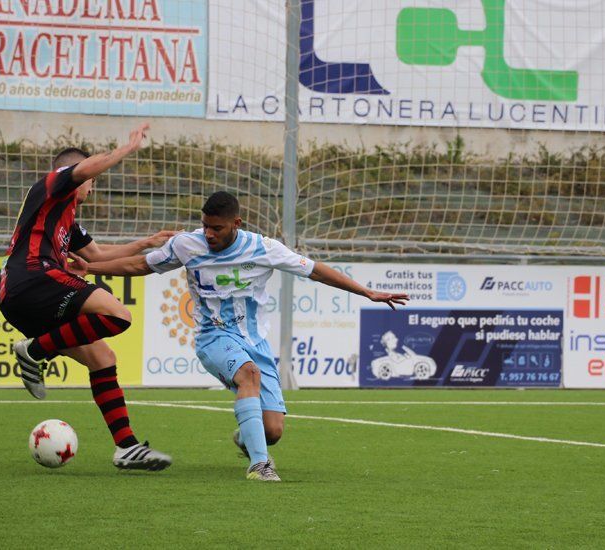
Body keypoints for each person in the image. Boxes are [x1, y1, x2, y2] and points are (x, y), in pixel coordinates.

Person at [70, 191, 408, 481]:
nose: (209, 234)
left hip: (255, 342)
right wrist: (92, 269)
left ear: (237, 224)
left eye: (216, 228)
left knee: (272, 429)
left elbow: (315, 270)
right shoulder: (188, 245)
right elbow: (141, 265)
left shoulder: (264, 248)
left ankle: (253, 440)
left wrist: (366, 292)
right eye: (205, 226)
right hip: (213, 337)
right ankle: (260, 465)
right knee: (249, 374)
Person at [0, 122, 172, 471]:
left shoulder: (68, 218)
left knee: (103, 358)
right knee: (118, 314)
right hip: (32, 278)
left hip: (23, 298)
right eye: (91, 180)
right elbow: (85, 168)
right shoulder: (50, 187)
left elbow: (95, 257)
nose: (93, 187)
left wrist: (146, 242)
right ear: (75, 175)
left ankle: (126, 447)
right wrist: (126, 149)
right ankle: (34, 350)